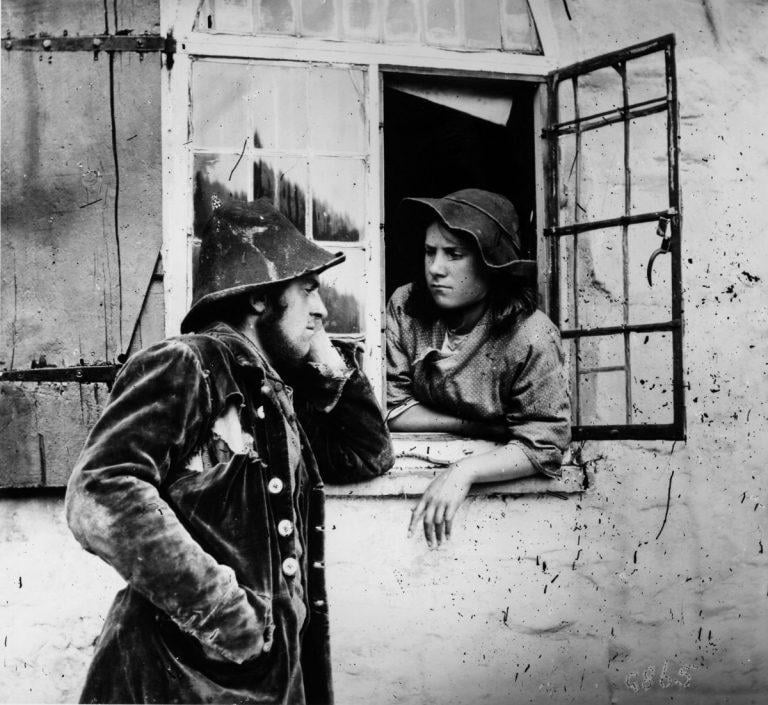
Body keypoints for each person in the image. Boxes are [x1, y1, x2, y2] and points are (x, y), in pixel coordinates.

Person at [66, 200, 394, 704]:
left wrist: (321, 351)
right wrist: (230, 618)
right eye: (308, 289)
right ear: (260, 299)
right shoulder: (189, 362)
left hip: (262, 688)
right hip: (173, 682)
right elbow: (101, 490)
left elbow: (367, 451)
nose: (322, 308)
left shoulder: (272, 394)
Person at [386, 188, 570, 548]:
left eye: (454, 254)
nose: (435, 269)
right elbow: (394, 410)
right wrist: (478, 425)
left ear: (492, 263)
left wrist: (464, 470)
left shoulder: (531, 336)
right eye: (429, 252)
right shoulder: (406, 306)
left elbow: (544, 444)